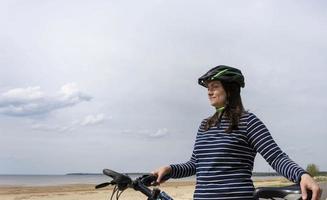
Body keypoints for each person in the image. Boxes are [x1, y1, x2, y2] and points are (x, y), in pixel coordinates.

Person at [152, 65, 322, 200]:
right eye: (208, 88)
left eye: (215, 86)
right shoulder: (205, 125)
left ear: (230, 90)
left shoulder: (248, 121)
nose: (209, 91)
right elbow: (196, 164)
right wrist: (170, 170)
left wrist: (302, 175)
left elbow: (276, 157)